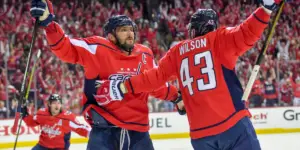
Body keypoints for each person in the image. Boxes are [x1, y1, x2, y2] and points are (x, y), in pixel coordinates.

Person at [96, 0, 287, 149]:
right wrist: (266, 8)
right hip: (232, 125)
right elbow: (247, 32)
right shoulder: (220, 39)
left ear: (195, 29)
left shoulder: (178, 51)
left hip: (201, 135)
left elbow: (153, 78)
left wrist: (123, 86)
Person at [30, 0, 184, 149]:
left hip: (138, 132)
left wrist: (175, 97)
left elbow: (153, 84)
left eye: (131, 30)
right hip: (104, 132)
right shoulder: (97, 48)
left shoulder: (145, 53)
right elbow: (66, 48)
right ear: (110, 36)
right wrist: (49, 25)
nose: (130, 33)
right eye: (123, 30)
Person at [22, 94, 91, 150]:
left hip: (60, 148)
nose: (57, 105)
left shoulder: (67, 118)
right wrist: (24, 114)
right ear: (49, 104)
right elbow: (30, 122)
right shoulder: (41, 114)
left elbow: (81, 128)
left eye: (58, 103)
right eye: (54, 103)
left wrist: (96, 134)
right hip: (42, 146)